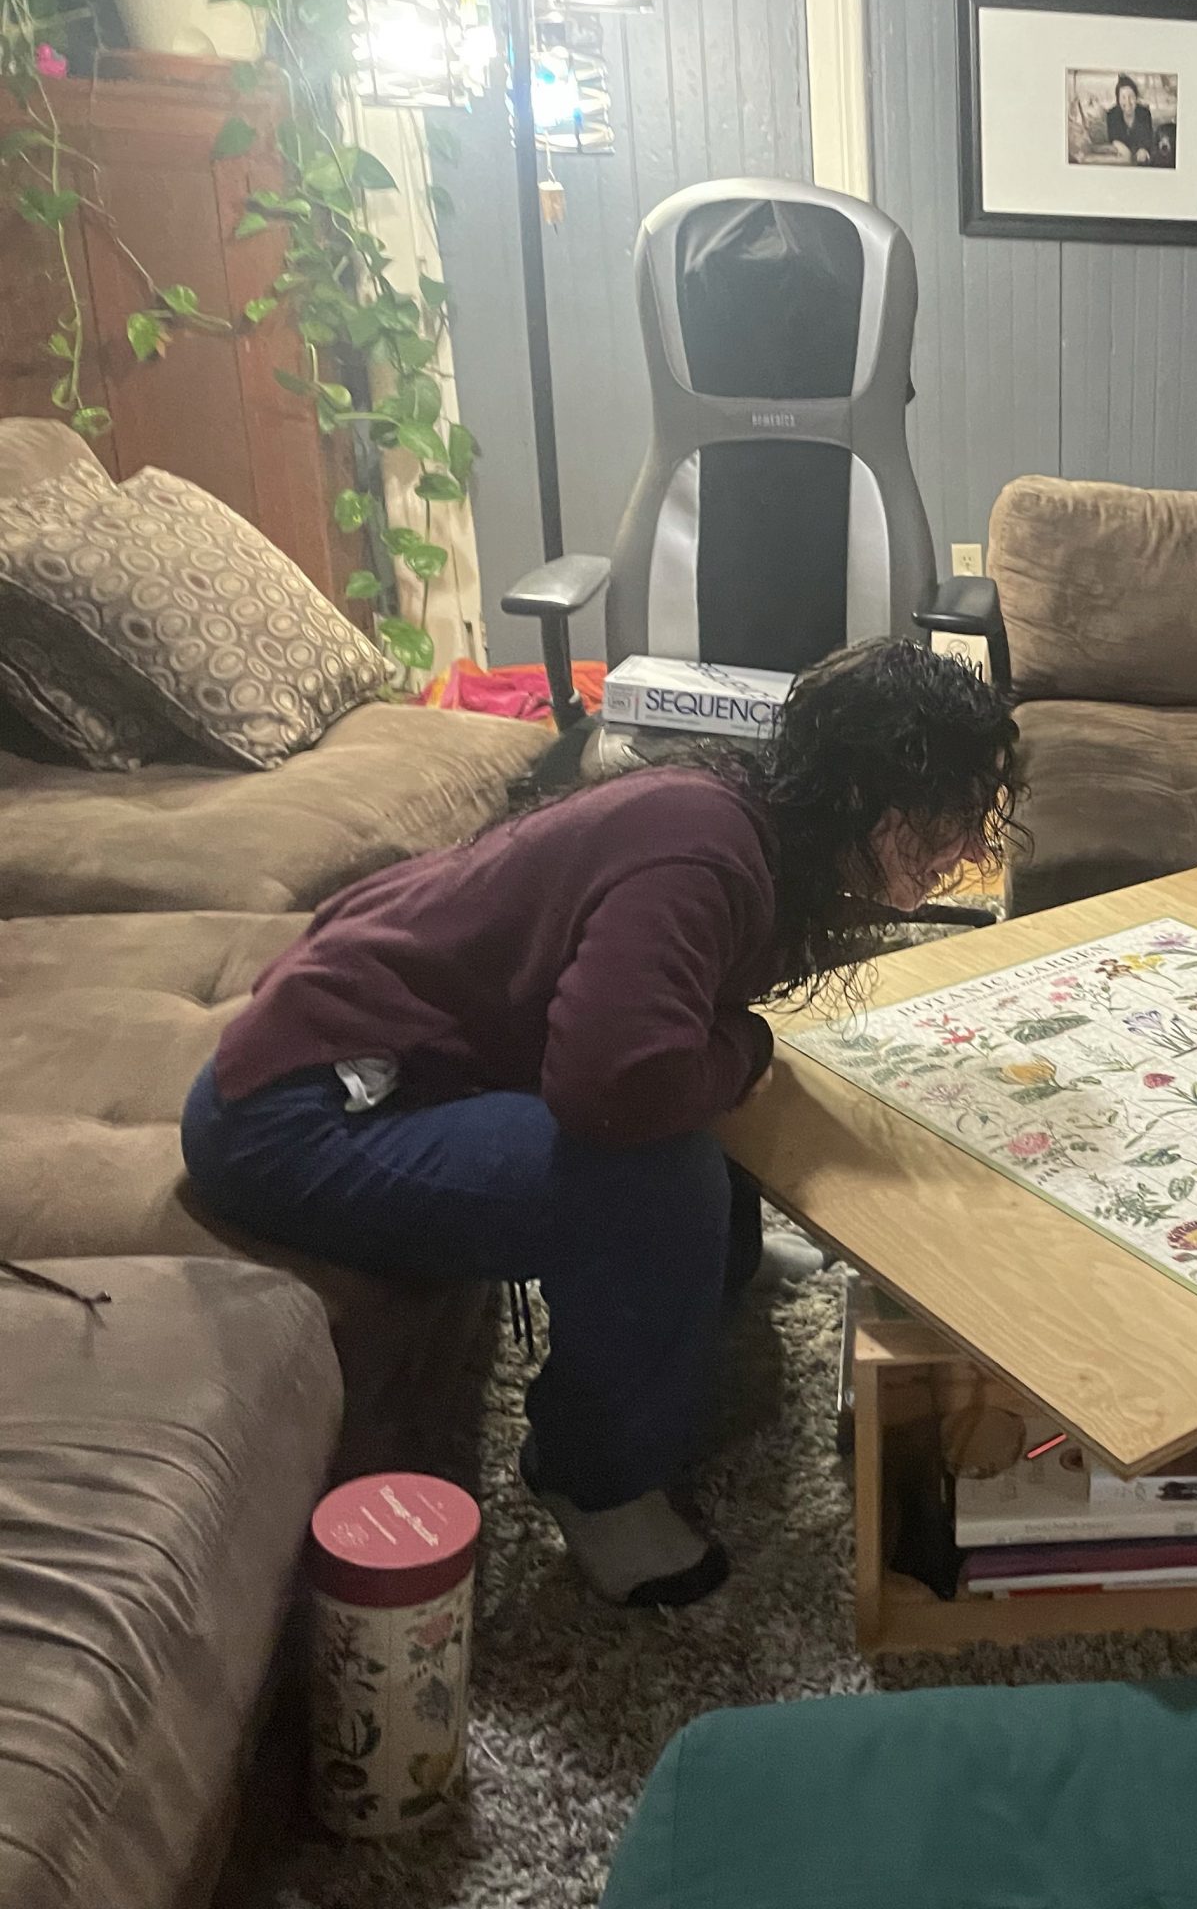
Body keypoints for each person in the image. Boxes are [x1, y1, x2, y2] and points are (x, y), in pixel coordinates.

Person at [182, 640, 1018, 1608]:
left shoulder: (749, 818)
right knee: (654, 1178)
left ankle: (720, 1270)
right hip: (298, 1108)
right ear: (867, 797)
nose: (968, 851)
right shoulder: (705, 854)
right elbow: (613, 1085)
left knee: (700, 1061)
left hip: (390, 1054)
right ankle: (596, 1482)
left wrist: (729, 1048)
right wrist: (742, 1046)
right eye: (949, 820)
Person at [1106, 74, 1158, 165]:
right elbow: (1112, 138)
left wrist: (1143, 149)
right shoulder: (1112, 115)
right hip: (1120, 157)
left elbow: (1148, 138)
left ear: (1136, 98)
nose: (1128, 102)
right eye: (1123, 97)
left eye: (1131, 96)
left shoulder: (1144, 113)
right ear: (1118, 100)